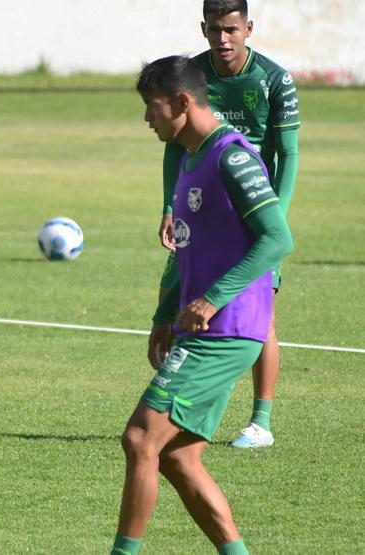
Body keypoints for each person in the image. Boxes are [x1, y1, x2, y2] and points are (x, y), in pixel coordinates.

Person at [114, 55, 294, 555]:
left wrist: (212, 300)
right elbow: (190, 244)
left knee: (140, 440)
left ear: (182, 102)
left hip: (229, 327)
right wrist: (162, 314)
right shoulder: (190, 159)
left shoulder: (232, 157)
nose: (146, 119)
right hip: (202, 328)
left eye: (152, 108)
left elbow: (277, 239)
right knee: (177, 458)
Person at [155, 0, 300, 448]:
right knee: (175, 287)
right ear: (203, 29)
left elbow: (288, 153)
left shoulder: (275, 80)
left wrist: (276, 212)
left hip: (254, 205)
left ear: (248, 28)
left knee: (262, 314)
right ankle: (180, 403)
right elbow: (176, 145)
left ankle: (261, 420)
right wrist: (168, 207)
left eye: (231, 29)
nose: (223, 39)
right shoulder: (192, 78)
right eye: (215, 29)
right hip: (202, 204)